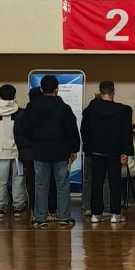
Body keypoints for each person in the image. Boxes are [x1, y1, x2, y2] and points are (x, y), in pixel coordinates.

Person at [20, 75, 80, 228]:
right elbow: (72, 130)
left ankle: (40, 218)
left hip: (40, 151)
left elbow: (23, 129)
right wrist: (73, 149)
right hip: (61, 152)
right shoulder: (64, 108)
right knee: (62, 185)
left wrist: (34, 141)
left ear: (41, 89)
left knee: (40, 184)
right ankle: (64, 217)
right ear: (57, 89)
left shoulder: (32, 108)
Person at [80, 80, 133, 224]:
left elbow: (84, 131)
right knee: (115, 183)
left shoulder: (90, 110)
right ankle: (115, 214)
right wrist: (126, 152)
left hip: (96, 152)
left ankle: (95, 214)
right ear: (113, 92)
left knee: (96, 183)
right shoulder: (123, 110)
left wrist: (88, 150)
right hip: (115, 152)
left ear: (100, 92)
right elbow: (126, 133)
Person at [0, 85, 26, 215]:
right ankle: (18, 206)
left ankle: (0, 207)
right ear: (14, 95)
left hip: (0, 151)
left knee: (0, 181)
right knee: (18, 179)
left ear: (0, 95)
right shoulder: (21, 112)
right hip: (17, 152)